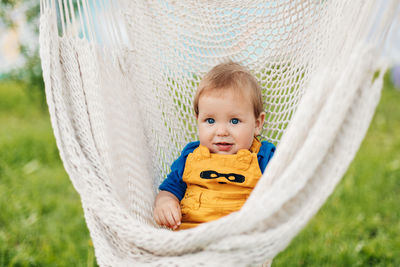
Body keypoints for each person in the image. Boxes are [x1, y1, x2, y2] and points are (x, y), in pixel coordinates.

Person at [153, 61, 276, 230]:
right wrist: (166, 202)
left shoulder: (263, 156)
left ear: (257, 124)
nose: (222, 131)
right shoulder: (191, 156)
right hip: (189, 239)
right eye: (210, 121)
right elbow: (170, 189)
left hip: (240, 239)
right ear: (198, 120)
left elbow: (284, 186)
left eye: (234, 121)